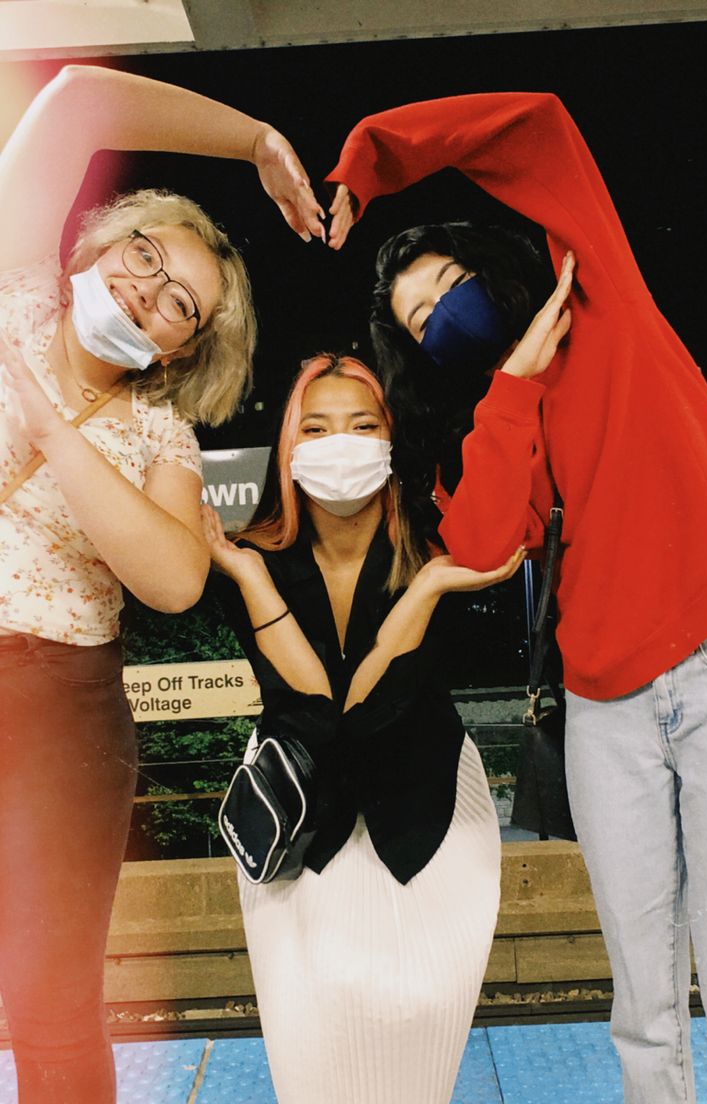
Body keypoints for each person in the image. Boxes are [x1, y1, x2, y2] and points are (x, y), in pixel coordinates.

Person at [325, 92, 707, 1104]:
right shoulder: (493, 420)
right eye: (421, 320)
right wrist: (510, 384)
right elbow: (478, 545)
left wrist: (370, 159)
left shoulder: (604, 296)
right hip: (605, 710)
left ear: (489, 264)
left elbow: (537, 126)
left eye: (449, 285)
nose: (443, 316)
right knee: (641, 1002)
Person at [0, 63, 323, 1104]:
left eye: (180, 302)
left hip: (58, 713)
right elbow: (81, 104)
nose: (147, 287)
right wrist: (257, 138)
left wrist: (50, 424)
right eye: (145, 255)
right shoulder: (14, 288)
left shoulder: (162, 434)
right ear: (105, 240)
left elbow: (176, 579)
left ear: (186, 348)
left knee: (48, 1004)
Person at [204, 353, 524, 1104]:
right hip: (297, 814)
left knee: (419, 1031)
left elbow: (375, 713)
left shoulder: (440, 540)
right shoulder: (257, 556)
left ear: (388, 439)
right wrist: (249, 577)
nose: (337, 443)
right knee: (309, 1042)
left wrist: (430, 585)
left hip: (431, 811)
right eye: (314, 427)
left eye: (360, 424)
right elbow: (315, 712)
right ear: (288, 447)